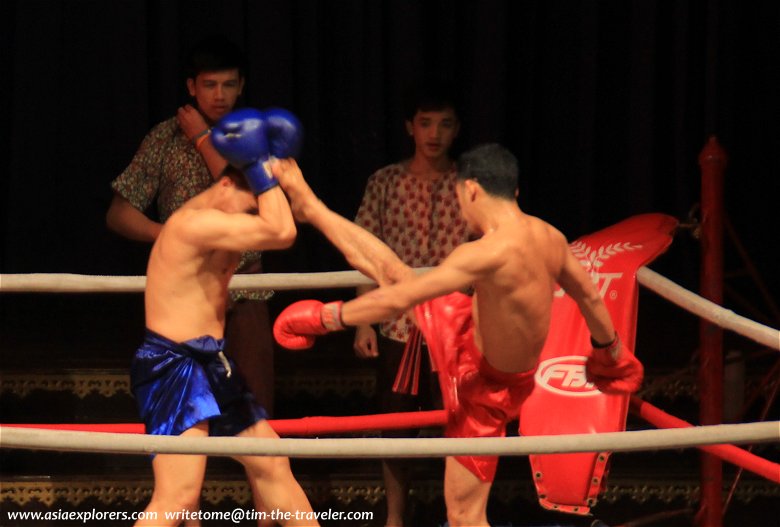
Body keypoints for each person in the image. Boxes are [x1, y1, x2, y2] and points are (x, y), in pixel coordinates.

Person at [269, 146, 643, 527]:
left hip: (483, 385)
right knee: (398, 274)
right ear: (514, 192)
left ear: (472, 190)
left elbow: (400, 300)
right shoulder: (551, 237)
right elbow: (590, 297)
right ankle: (312, 208)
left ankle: (312, 208)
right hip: (482, 351)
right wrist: (610, 352)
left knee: (465, 516)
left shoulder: (483, 254)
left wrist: (328, 317)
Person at [131, 109, 318, 526]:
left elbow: (288, 218)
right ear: (230, 185)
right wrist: (259, 169)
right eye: (253, 202)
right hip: (174, 365)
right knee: (177, 499)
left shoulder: (225, 207)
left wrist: (271, 167)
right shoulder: (196, 224)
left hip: (212, 362)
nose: (257, 214)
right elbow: (284, 231)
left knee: (272, 464)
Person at [106, 35, 276, 418]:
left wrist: (202, 137)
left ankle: (257, 477)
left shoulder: (255, 136)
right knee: (183, 413)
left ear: (241, 86)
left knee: (257, 410)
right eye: (210, 85)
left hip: (244, 284)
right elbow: (118, 213)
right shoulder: (164, 138)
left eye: (228, 84)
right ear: (191, 87)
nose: (219, 95)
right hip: (184, 291)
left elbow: (248, 194)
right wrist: (167, 235)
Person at [352, 85, 468, 526]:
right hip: (399, 325)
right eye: (425, 123)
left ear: (456, 130)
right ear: (410, 127)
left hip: (455, 327)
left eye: (444, 124)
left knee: (457, 425)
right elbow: (363, 254)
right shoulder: (385, 182)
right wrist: (363, 322)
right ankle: (395, 517)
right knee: (395, 426)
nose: (434, 133)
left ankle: (456, 513)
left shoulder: (469, 185)